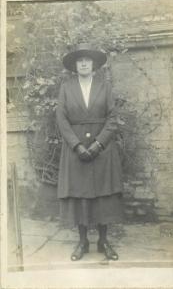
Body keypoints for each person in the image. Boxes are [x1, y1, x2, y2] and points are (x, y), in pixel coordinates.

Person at [56, 43, 123, 261]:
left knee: (104, 195)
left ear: (93, 64)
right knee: (80, 195)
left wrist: (98, 144)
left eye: (87, 60)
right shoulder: (66, 87)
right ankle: (82, 242)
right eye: (79, 60)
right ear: (75, 66)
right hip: (76, 150)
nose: (83, 63)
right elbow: (61, 119)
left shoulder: (105, 86)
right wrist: (77, 145)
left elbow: (112, 119)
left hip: (102, 150)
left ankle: (104, 241)